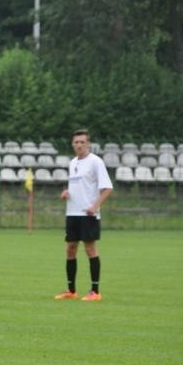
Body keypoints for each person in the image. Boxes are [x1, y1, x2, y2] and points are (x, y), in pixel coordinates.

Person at [55, 129, 114, 301]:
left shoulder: (96, 162)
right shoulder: (73, 162)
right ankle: (71, 290)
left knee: (90, 249)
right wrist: (67, 192)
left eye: (82, 142)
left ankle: (95, 292)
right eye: (76, 142)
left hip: (88, 214)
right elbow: (78, 186)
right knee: (70, 249)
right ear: (72, 144)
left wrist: (95, 206)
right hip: (72, 213)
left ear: (88, 144)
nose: (79, 145)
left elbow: (108, 188)